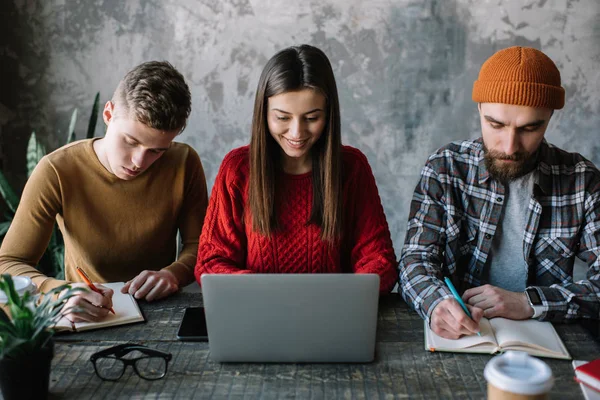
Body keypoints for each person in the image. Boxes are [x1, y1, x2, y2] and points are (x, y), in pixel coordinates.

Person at [399, 46, 600, 339]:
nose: (509, 146)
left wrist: (528, 302)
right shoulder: (446, 167)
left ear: (549, 117)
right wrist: (436, 304)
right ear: (479, 108)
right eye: (496, 125)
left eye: (529, 128)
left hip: (545, 342)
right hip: (464, 339)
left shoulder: (582, 181)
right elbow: (415, 259)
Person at [0, 61, 208, 322]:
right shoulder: (56, 170)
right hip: (83, 314)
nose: (139, 162)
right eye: (130, 142)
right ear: (108, 114)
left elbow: (200, 246)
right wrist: (60, 292)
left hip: (163, 313)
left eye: (157, 151)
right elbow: (8, 263)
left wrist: (173, 274)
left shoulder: (185, 162)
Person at [195, 44, 397, 292]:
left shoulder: (352, 167)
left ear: (329, 114)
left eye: (312, 118)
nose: (296, 132)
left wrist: (346, 294)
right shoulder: (237, 169)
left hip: (332, 314)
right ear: (264, 113)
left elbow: (380, 261)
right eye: (282, 117)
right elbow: (211, 262)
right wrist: (264, 291)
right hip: (256, 312)